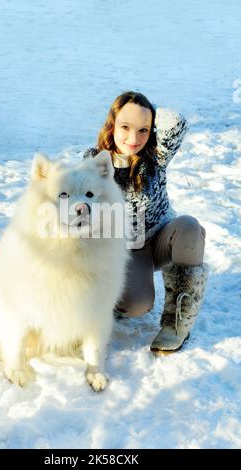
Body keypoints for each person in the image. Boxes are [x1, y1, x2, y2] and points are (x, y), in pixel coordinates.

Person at [83, 91, 208, 354]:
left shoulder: (155, 156)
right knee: (136, 305)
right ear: (112, 124)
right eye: (125, 127)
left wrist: (146, 109)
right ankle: (113, 301)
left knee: (189, 227)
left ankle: (177, 322)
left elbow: (176, 123)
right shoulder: (93, 161)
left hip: (162, 239)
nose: (134, 138)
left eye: (143, 129)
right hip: (125, 250)